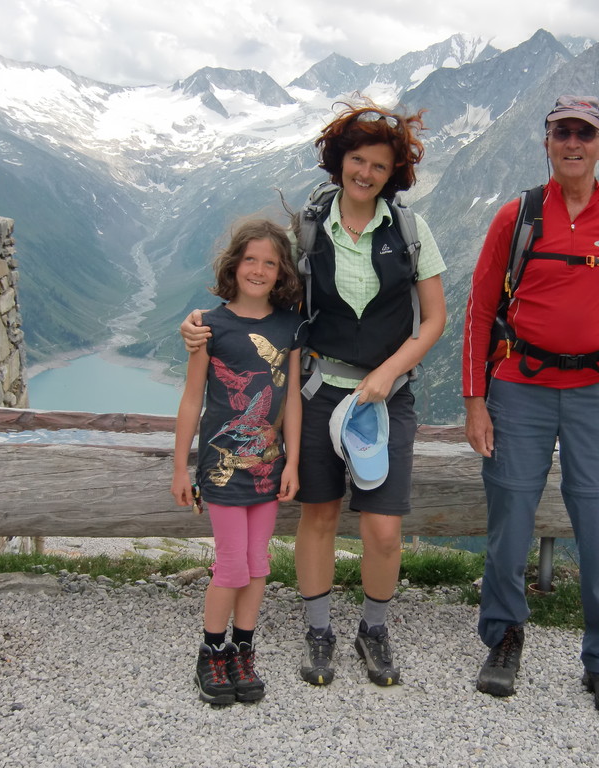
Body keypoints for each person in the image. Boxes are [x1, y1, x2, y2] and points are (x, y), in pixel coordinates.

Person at [181, 103, 447, 688]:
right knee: (320, 515)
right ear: (339, 161)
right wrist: (200, 329)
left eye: (380, 165)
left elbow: (433, 320)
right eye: (358, 160)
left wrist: (387, 373)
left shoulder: (410, 231)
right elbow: (263, 305)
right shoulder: (308, 228)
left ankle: (373, 630)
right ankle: (319, 630)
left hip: (386, 396)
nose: (366, 173)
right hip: (321, 388)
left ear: (392, 173)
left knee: (383, 528)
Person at [461, 96, 599, 714]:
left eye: (585, 134)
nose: (573, 143)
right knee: (510, 517)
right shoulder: (516, 217)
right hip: (519, 385)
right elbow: (479, 311)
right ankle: (504, 638)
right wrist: (475, 400)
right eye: (561, 132)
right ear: (547, 141)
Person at [171, 219, 303, 705]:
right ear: (234, 264)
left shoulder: (289, 325)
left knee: (257, 563)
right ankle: (211, 652)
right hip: (222, 465)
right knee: (230, 565)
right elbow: (191, 400)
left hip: (270, 466)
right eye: (251, 259)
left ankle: (243, 649)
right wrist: (180, 468)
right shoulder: (209, 324)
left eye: (270, 262)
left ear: (281, 271)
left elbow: (291, 400)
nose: (260, 270)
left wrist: (293, 463)